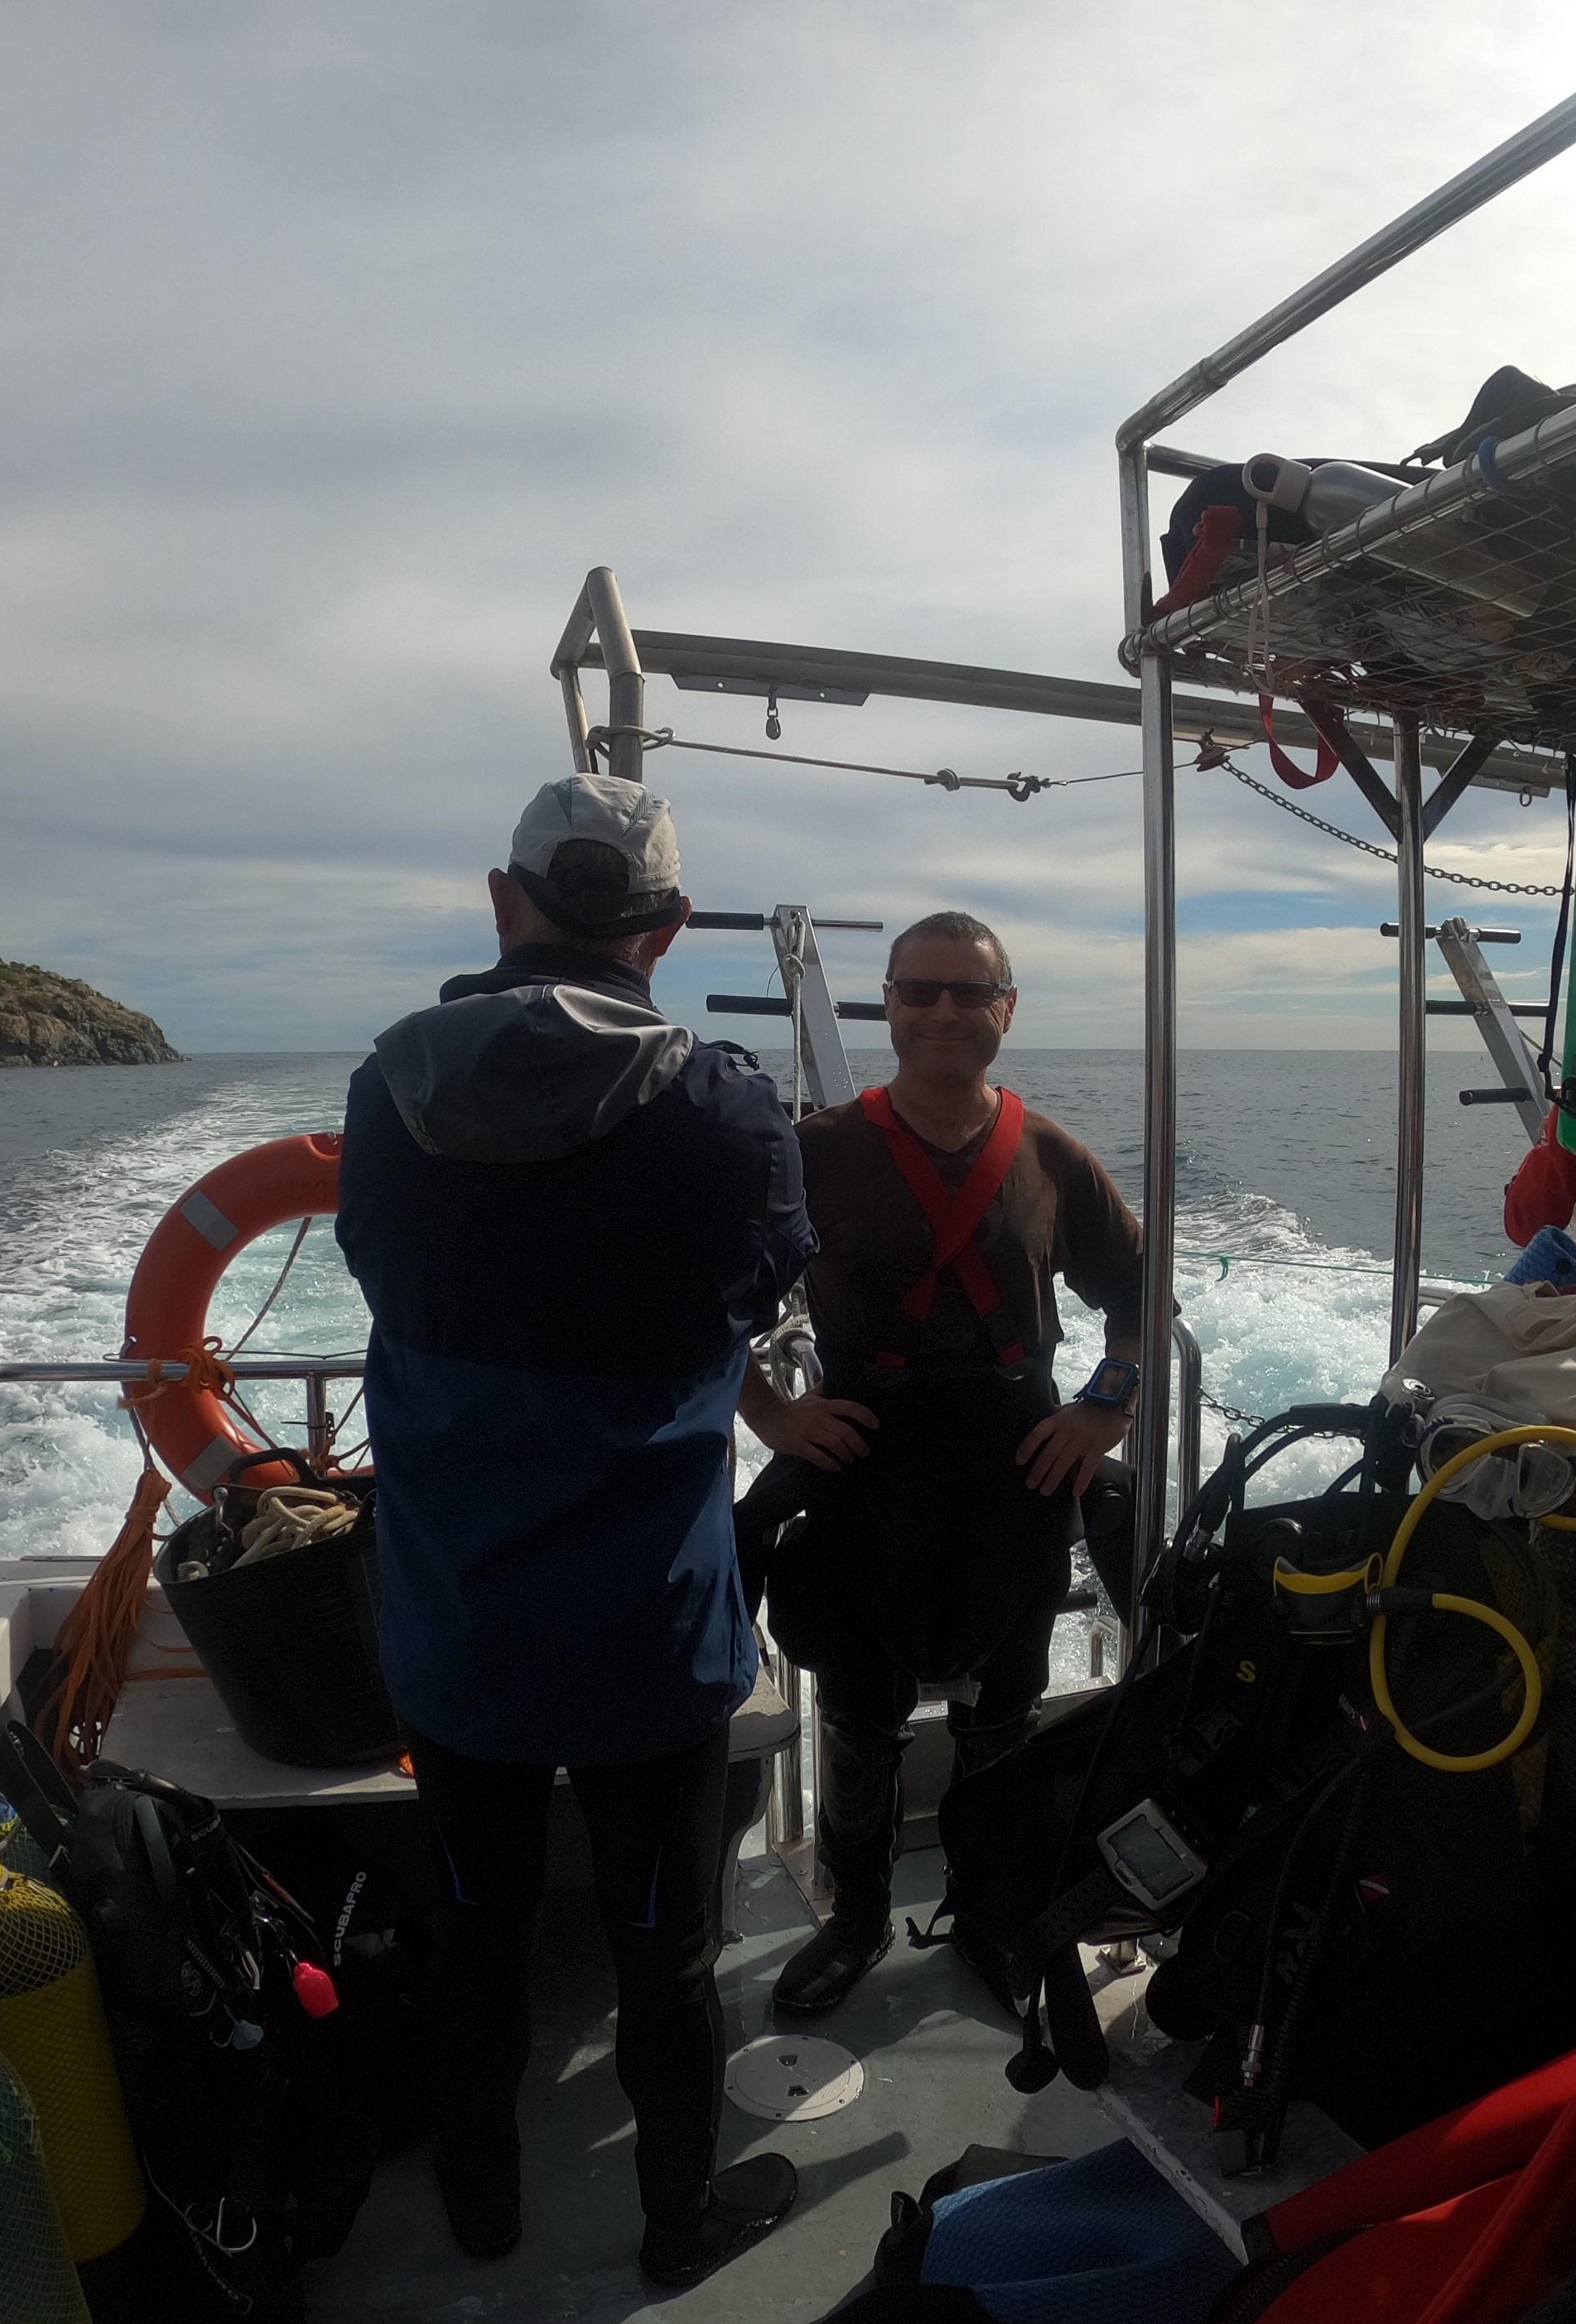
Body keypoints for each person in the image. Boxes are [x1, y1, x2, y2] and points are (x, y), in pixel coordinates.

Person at [335, 772, 815, 2288]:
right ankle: (678, 2223)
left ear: (505, 900)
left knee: (474, 1927)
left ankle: (484, 2207)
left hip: (459, 1628)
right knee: (664, 1945)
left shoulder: (386, 1090)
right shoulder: (729, 1112)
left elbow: (374, 1266)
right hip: (645, 1638)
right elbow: (765, 1288)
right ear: (668, 928)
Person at [736, 910, 1145, 2019]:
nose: (944, 1012)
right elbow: (703, 1297)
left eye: (970, 992)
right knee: (859, 1712)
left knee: (1001, 1712)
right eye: (920, 990)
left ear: (1006, 1008)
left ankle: (988, 1913)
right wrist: (772, 1414)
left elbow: (1137, 1297)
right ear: (887, 1004)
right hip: (867, 1470)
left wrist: (1103, 1409)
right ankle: (857, 1916)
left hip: (1016, 1473)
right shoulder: (814, 1150)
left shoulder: (1053, 1157)